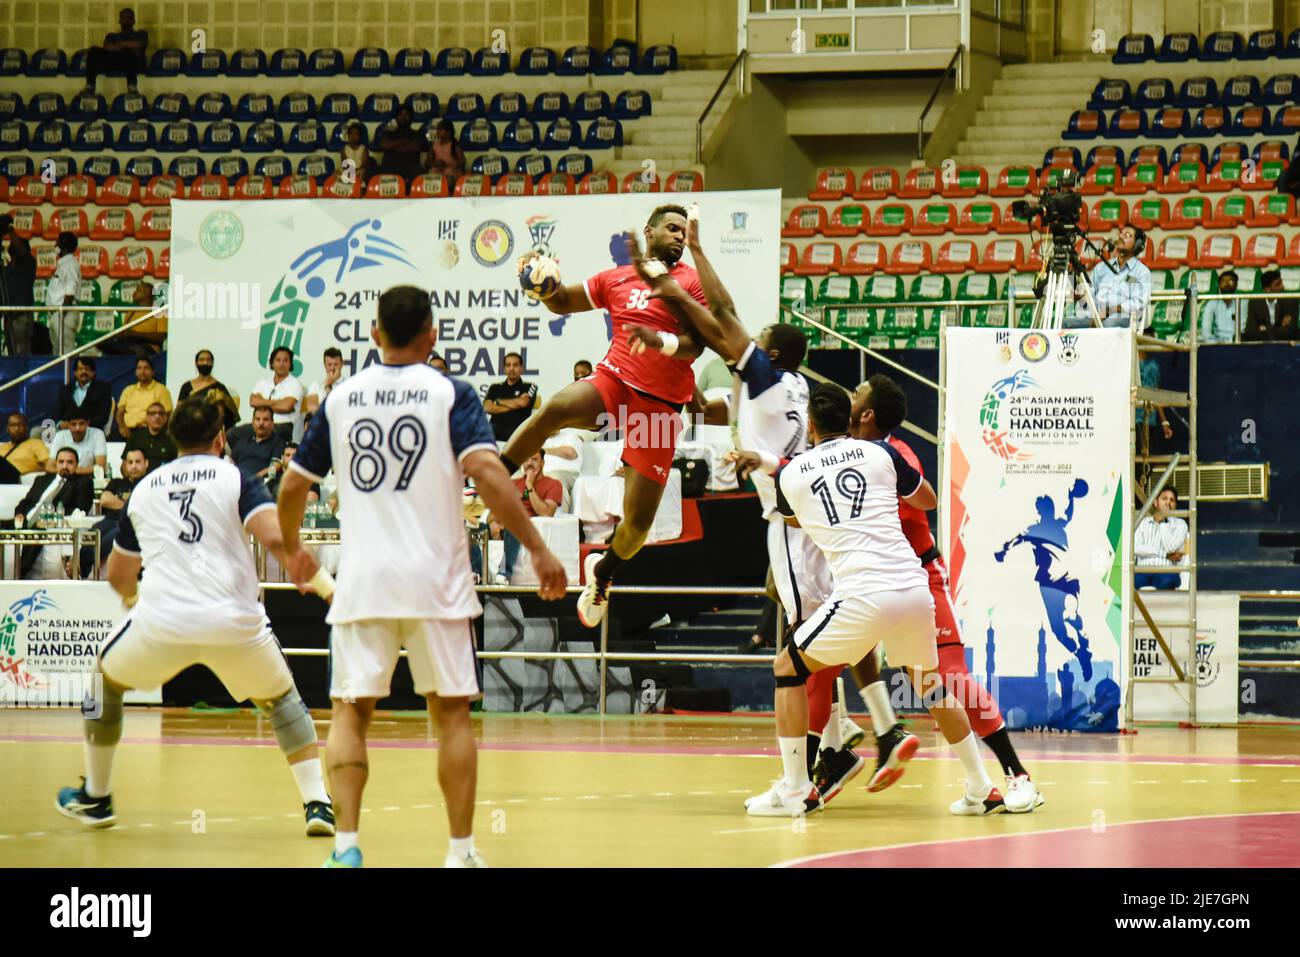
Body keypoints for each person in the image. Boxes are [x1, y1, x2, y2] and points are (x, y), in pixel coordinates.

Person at [275, 284, 567, 868]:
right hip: (437, 582)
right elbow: (486, 470)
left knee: (351, 711)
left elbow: (292, 486)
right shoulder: (451, 392)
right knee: (452, 712)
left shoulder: (341, 397)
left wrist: (294, 552)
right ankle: (460, 852)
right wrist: (537, 547)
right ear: (433, 336)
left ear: (375, 334)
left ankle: (347, 847)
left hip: (364, 580)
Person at [54, 398, 336, 837]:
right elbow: (279, 542)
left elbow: (121, 574)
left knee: (100, 683)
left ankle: (97, 794)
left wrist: (129, 598)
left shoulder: (145, 488)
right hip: (235, 623)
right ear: (221, 437)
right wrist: (326, 588)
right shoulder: (235, 477)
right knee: (283, 700)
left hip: (164, 623)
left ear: (173, 439)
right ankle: (318, 804)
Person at [744, 385, 1005, 817]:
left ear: (810, 425)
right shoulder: (882, 455)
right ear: (850, 419)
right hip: (913, 587)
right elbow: (925, 498)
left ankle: (795, 789)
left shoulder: (792, 473)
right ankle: (981, 786)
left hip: (863, 594)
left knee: (787, 666)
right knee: (931, 685)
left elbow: (791, 518)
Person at [509, 205, 707, 627]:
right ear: (648, 231)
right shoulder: (615, 277)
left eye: (683, 231)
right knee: (554, 410)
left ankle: (603, 574)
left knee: (636, 528)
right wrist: (539, 284)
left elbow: (696, 344)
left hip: (659, 406)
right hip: (614, 381)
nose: (679, 236)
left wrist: (660, 341)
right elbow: (561, 301)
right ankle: (484, 484)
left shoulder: (689, 281)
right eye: (671, 228)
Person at [470, 450, 562, 584]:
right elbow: (492, 515)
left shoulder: (554, 484)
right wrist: (494, 523)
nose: (529, 463)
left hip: (523, 529)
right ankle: (477, 573)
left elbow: (546, 513)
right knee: (468, 526)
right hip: (504, 527)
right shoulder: (511, 483)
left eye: (534, 459)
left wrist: (529, 485)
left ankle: (504, 573)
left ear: (543, 462)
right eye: (526, 460)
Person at [15, 448, 94, 579]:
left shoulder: (83, 482)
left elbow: (81, 508)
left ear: (76, 465)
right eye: (61, 462)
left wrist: (51, 515)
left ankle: (21, 573)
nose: (65, 466)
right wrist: (19, 513)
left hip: (47, 523)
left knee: (38, 529)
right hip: (23, 520)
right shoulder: (41, 480)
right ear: (55, 463)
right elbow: (26, 502)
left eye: (70, 462)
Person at [81, 447, 148, 575]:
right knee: (92, 534)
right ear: (125, 465)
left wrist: (117, 499)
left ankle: (76, 564)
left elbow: (142, 508)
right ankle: (80, 574)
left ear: (146, 463)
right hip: (109, 520)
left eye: (138, 462)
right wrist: (129, 502)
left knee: (106, 542)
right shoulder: (117, 482)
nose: (134, 466)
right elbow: (105, 500)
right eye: (130, 462)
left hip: (129, 524)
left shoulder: (149, 484)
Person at [1078, 225, 1152, 329]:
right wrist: (1083, 300)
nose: (1121, 237)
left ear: (1138, 245)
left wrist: (1109, 311)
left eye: (1127, 235)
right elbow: (1090, 294)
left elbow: (1138, 303)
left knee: (1108, 325)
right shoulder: (1101, 267)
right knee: (1066, 323)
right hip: (1097, 315)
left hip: (1123, 317)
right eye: (1121, 234)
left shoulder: (1142, 272)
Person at [81, 7, 148, 96]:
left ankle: (132, 88)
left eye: (129, 18)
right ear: (119, 21)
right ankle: (90, 87)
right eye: (123, 18)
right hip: (114, 61)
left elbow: (140, 44)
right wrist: (130, 45)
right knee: (93, 51)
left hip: (132, 62)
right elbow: (107, 47)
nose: (126, 20)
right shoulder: (112, 36)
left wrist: (119, 45)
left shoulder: (141, 33)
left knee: (128, 52)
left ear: (133, 21)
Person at [1135, 487, 1187, 590]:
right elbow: (1134, 548)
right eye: (1164, 498)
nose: (1168, 502)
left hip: (1166, 572)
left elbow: (1170, 548)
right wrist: (1164, 555)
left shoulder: (1180, 524)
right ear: (1155, 502)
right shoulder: (1142, 522)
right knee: (1128, 583)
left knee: (1167, 583)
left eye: (1172, 500)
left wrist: (1163, 522)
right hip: (1142, 572)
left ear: (1175, 505)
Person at [250, 345, 305, 441]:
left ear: (290, 364)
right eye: (278, 360)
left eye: (285, 360)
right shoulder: (263, 382)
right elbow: (253, 401)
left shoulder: (295, 384)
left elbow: (286, 406)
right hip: (260, 423)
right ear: (272, 363)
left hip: (283, 426)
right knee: (233, 434)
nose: (281, 364)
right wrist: (277, 403)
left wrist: (263, 403)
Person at [482, 353, 538, 442]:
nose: (511, 368)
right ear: (504, 369)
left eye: (515, 365)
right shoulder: (495, 387)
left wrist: (498, 401)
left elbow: (523, 403)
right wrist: (514, 405)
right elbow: (487, 407)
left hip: (516, 433)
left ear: (521, 368)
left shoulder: (530, 386)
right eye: (508, 365)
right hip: (493, 430)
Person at [177, 349, 238, 429]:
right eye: (202, 360)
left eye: (208, 360)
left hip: (213, 431)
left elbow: (230, 415)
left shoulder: (219, 387)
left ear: (212, 363)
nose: (205, 363)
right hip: (190, 431)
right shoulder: (187, 386)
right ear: (196, 363)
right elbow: (179, 411)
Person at [115, 355, 172, 438]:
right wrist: (122, 427)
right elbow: (119, 413)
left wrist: (152, 425)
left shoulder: (161, 390)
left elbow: (167, 414)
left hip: (149, 430)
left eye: (146, 368)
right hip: (127, 430)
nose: (142, 371)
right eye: (139, 368)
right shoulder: (128, 390)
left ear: (153, 372)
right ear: (135, 372)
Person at [46, 231, 82, 355]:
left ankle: (68, 375)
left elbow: (70, 292)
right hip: (58, 314)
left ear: (64, 244)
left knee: (66, 354)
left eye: (57, 241)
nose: (55, 244)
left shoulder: (70, 265)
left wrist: (61, 315)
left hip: (64, 314)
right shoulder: (64, 264)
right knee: (57, 355)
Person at [57, 357, 115, 432]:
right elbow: (56, 414)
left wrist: (82, 425)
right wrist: (60, 424)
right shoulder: (65, 389)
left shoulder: (103, 389)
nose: (84, 371)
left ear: (93, 373)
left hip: (91, 429)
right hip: (66, 430)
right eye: (80, 369)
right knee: (38, 432)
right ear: (75, 372)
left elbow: (103, 417)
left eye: (87, 369)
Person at [228, 407, 286, 481]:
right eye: (258, 419)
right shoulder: (243, 441)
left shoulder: (278, 443)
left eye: (265, 419)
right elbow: (231, 461)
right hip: (236, 482)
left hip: (259, 485)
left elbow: (275, 468)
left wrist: (253, 480)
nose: (261, 423)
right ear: (252, 422)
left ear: (272, 423)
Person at [3, 234, 37, 356]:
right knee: (12, 352)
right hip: (9, 317)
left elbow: (19, 248)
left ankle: (23, 374)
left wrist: (11, 230)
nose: (13, 246)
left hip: (21, 316)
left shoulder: (29, 264)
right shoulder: (7, 270)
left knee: (20, 351)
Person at [1243, 269, 1298, 341]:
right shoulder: (1255, 303)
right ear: (1267, 289)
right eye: (1277, 284)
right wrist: (1279, 328)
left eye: (1281, 283)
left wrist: (1265, 329)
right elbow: (1250, 330)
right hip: (1262, 342)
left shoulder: (1290, 301)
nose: (1282, 286)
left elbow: (1290, 330)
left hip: (1283, 340)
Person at [377, 106, 428, 184]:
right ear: (396, 117)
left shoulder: (418, 134)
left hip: (411, 168)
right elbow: (385, 145)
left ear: (411, 117)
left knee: (422, 173)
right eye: (400, 114)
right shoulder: (387, 133)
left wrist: (393, 146)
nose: (403, 117)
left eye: (406, 115)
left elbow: (415, 147)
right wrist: (405, 142)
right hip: (389, 167)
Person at [123, 402, 177, 472]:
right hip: (139, 480)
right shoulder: (136, 437)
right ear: (146, 418)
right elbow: (124, 464)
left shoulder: (173, 438)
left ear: (165, 418)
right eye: (153, 413)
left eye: (161, 414)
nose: (157, 416)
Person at [0, 412, 50, 482]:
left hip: (13, 476)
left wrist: (34, 469)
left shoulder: (35, 443)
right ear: (7, 429)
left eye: (20, 425)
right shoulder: (2, 447)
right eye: (13, 425)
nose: (17, 429)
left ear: (27, 427)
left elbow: (48, 464)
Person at [303, 347, 346, 421]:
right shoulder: (315, 385)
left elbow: (339, 409)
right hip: (320, 427)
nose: (332, 368)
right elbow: (311, 409)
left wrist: (328, 386)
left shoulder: (348, 385)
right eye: (329, 364)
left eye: (336, 364)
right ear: (325, 365)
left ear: (342, 364)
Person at [1200, 269, 1242, 343]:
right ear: (1219, 285)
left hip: (1237, 342)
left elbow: (1242, 329)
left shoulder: (1242, 303)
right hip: (1217, 343)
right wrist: (1214, 343)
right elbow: (1206, 330)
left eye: (1230, 282)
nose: (1227, 285)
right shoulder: (1212, 303)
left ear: (1236, 285)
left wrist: (1232, 341)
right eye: (1223, 282)